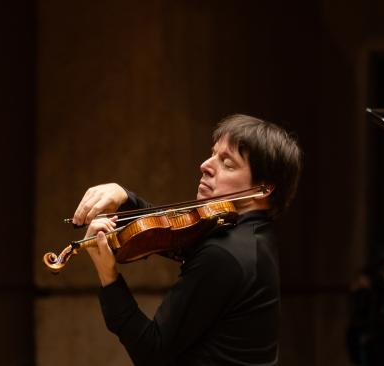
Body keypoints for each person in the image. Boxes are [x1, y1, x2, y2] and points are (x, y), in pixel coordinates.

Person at [72, 114, 303, 365]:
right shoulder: (254, 235)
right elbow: (176, 233)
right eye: (213, 154)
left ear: (264, 188)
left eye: (227, 163)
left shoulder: (225, 254)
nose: (206, 165)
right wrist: (124, 197)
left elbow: (152, 351)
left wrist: (108, 276)